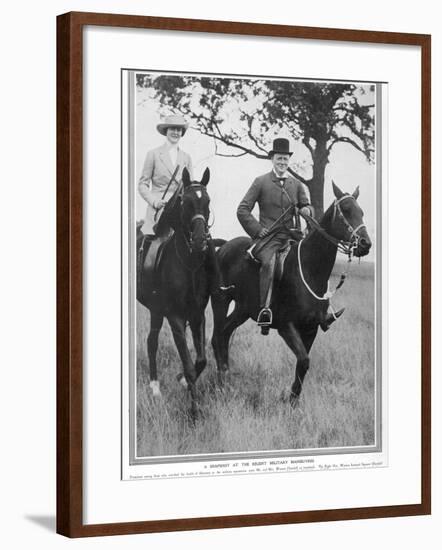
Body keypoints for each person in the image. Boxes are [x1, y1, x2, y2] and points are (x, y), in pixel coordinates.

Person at [237, 137, 313, 333]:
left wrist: (306, 211)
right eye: (279, 159)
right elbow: (243, 209)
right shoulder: (260, 182)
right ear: (272, 159)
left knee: (312, 260)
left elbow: (306, 205)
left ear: (289, 161)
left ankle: (322, 308)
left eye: (285, 159)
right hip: (268, 238)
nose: (282, 163)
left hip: (291, 237)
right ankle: (265, 310)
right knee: (269, 264)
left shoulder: (296, 184)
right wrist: (257, 230)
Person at [138, 114, 193, 236]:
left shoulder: (186, 158)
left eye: (179, 129)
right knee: (151, 247)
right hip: (158, 210)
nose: (176, 132)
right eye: (172, 128)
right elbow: (142, 185)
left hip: (180, 211)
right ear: (166, 131)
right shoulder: (153, 154)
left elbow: (189, 188)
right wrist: (154, 201)